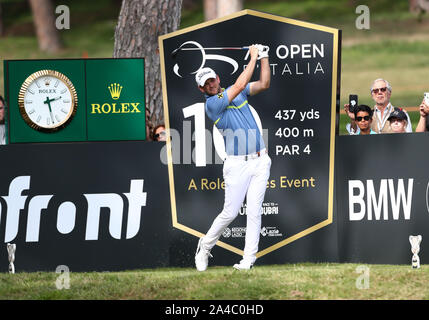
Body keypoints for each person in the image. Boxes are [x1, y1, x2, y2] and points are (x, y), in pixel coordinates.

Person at [194, 44, 271, 271]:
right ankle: (205, 246)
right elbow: (239, 84)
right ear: (202, 90)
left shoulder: (238, 93)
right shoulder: (212, 105)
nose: (211, 84)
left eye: (212, 80)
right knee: (230, 213)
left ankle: (248, 261)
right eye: (206, 84)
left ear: (217, 78)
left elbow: (264, 84)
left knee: (255, 212)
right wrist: (253, 56)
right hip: (237, 165)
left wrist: (264, 56)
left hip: (260, 160)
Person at [344, 78, 412, 134]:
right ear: (372, 95)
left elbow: (409, 136)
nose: (379, 93)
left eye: (383, 89)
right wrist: (353, 119)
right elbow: (354, 134)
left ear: (389, 93)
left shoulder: (401, 113)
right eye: (376, 91)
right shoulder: (366, 114)